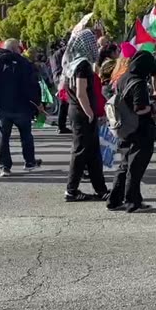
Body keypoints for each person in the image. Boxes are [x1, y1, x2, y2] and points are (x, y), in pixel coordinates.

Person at [0, 39, 44, 177]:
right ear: (15, 49)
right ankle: (29, 162)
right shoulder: (24, 63)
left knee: (3, 137)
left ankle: (5, 167)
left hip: (1, 106)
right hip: (22, 106)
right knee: (26, 135)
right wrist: (37, 103)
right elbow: (32, 85)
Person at [62, 29, 111, 202]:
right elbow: (81, 92)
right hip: (82, 112)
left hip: (77, 111)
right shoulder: (82, 65)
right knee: (81, 150)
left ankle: (100, 189)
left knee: (92, 152)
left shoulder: (71, 63)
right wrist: (90, 112)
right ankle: (72, 190)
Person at [108, 50, 156, 213]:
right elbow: (140, 108)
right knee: (136, 167)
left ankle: (114, 199)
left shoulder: (123, 77)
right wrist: (152, 108)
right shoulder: (139, 83)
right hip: (140, 128)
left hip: (124, 127)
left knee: (124, 164)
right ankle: (132, 201)